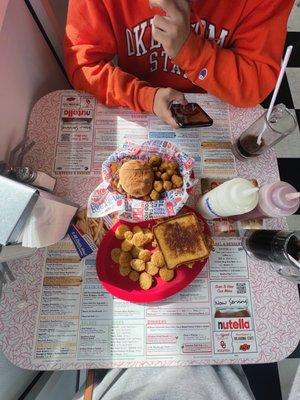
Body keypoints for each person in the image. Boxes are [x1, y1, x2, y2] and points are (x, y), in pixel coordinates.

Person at [64, 0, 293, 128]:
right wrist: (145, 97)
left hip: (220, 103)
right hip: (137, 105)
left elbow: (254, 84)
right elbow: (83, 65)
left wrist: (189, 50)